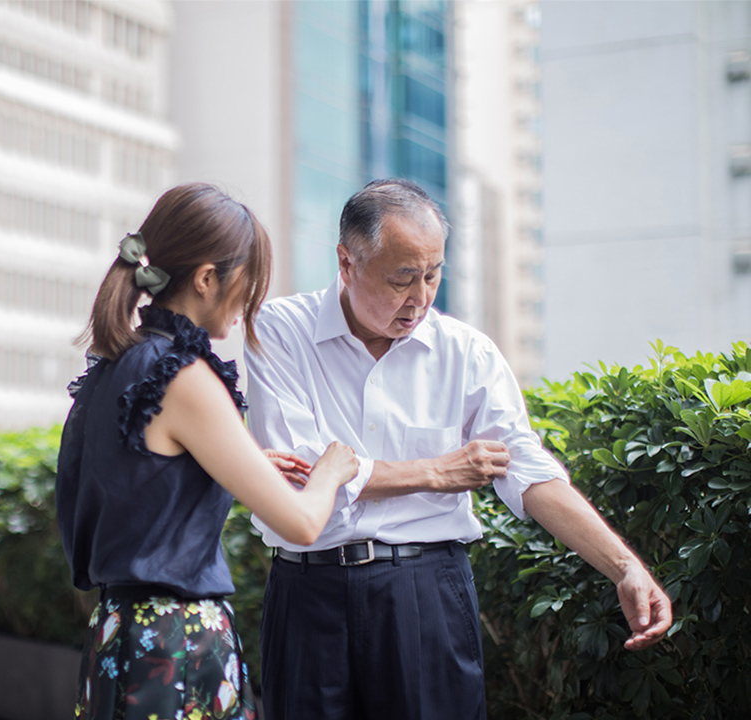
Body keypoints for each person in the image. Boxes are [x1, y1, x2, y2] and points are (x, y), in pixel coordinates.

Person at [243, 178, 673, 720]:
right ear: (346, 263)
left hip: (426, 594)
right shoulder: (281, 331)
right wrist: (436, 472)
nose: (421, 298)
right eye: (402, 278)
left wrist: (625, 567)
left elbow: (529, 472)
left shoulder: (467, 353)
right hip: (308, 595)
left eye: (433, 274)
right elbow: (297, 475)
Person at [56, 182, 359, 720]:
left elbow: (133, 480)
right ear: (206, 278)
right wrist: (331, 471)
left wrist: (212, 470)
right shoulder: (186, 377)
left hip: (117, 634)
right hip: (177, 642)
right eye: (249, 282)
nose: (252, 301)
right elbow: (302, 523)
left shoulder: (113, 367)